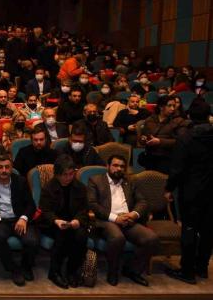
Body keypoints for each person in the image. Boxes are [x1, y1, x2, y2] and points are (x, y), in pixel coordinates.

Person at [88, 155, 159, 287]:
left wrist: (134, 214)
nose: (119, 169)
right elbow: (92, 204)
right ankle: (113, 272)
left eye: (122, 166)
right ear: (108, 166)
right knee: (117, 237)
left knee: (151, 238)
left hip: (128, 220)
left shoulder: (130, 181)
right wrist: (115, 218)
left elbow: (142, 201)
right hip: (107, 220)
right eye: (115, 165)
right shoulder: (96, 180)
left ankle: (132, 270)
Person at [165, 99, 213, 284]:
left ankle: (187, 271)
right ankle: (202, 267)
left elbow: (177, 168)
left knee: (189, 229)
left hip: (191, 191)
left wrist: (169, 188)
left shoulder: (186, 137)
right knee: (208, 230)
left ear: (190, 116)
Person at [0, 154, 39, 286]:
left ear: (12, 168)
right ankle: (13, 269)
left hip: (18, 218)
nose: (4, 170)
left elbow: (31, 205)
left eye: (7, 167)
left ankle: (26, 266)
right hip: (0, 220)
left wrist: (23, 218)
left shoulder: (21, 181)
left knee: (32, 240)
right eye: (0, 167)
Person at [38, 154, 89, 289]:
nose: (68, 178)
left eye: (71, 174)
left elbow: (84, 209)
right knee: (62, 234)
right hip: (53, 223)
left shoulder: (80, 187)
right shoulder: (48, 188)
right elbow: (45, 211)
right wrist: (56, 220)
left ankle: (72, 271)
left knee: (81, 235)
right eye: (64, 175)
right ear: (57, 174)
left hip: (73, 222)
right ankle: (54, 272)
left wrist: (78, 220)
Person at [139, 95, 189, 174]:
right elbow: (142, 137)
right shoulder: (150, 119)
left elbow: (181, 141)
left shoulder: (179, 121)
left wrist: (160, 141)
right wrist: (143, 139)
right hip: (150, 155)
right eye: (169, 106)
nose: (172, 108)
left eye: (174, 106)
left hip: (168, 157)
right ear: (161, 107)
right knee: (150, 178)